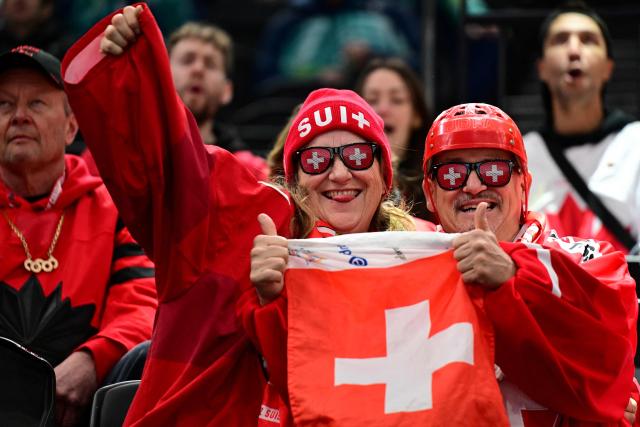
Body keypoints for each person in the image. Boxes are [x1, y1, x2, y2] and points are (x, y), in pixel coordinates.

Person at [61, 4, 417, 425]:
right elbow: (169, 168)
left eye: (357, 154)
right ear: (294, 178)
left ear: (383, 172)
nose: (339, 173)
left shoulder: (416, 261)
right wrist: (131, 75)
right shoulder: (237, 221)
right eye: (317, 159)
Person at [250, 102, 639, 425]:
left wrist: (513, 276)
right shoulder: (401, 275)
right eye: (451, 174)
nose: (472, 185)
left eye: (493, 170)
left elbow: (610, 357)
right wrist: (276, 306)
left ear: (525, 184)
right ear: (431, 195)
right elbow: (328, 390)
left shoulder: (587, 261)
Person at [0, 45, 157, 426]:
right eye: (4, 105)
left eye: (37, 104)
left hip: (87, 400)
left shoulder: (117, 207)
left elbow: (141, 303)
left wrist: (92, 359)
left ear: (72, 127)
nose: (19, 116)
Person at [523, 1, 640, 253]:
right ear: (541, 68)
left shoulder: (636, 143)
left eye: (588, 40)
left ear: (608, 68)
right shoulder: (521, 155)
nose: (574, 50)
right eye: (560, 40)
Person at [168, 21, 268, 180]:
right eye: (187, 60)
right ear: (161, 77)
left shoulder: (254, 175)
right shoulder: (134, 157)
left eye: (210, 64)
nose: (198, 69)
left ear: (227, 91)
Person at [355, 57, 433, 221]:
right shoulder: (340, 184)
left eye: (397, 100)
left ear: (417, 116)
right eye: (372, 100)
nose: (382, 109)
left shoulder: (437, 187)